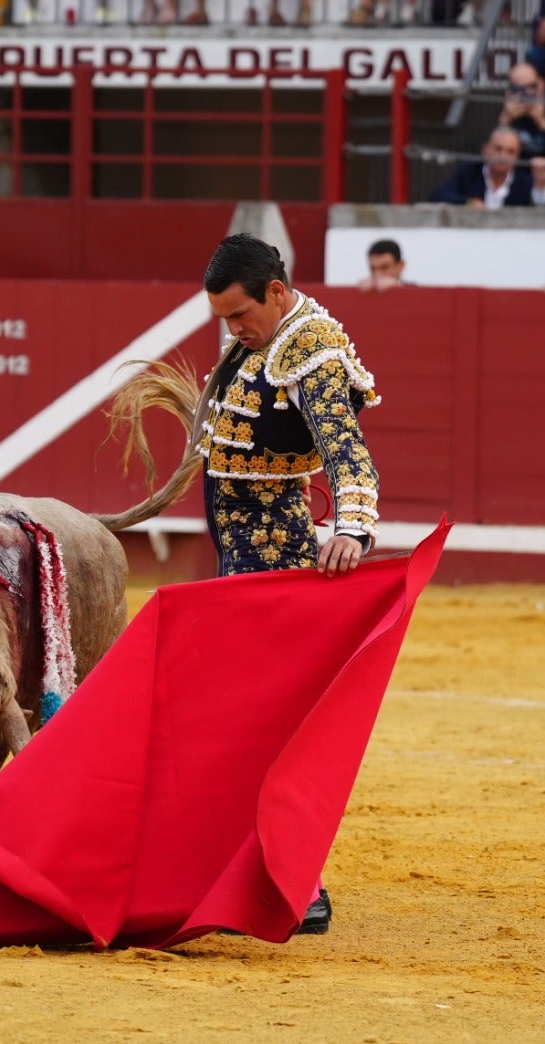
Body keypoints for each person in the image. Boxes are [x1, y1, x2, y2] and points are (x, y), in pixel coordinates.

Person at [195, 233, 383, 934]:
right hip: (244, 553)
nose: (234, 330)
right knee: (244, 720)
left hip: (272, 554)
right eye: (224, 319)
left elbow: (348, 453)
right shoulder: (268, 340)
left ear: (276, 291)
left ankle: (301, 884)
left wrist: (353, 529)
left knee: (259, 724)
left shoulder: (311, 349)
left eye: (241, 315)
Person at [428, 126, 535, 208]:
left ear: (517, 157)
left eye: (510, 152)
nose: (503, 156)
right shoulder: (469, 171)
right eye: (498, 149)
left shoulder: (525, 182)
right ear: (485, 150)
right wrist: (469, 203)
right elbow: (439, 196)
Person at [499, 60, 545, 162]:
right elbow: (490, 153)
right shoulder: (504, 106)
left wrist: (543, 123)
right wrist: (505, 122)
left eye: (531, 87)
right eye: (518, 89)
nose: (526, 93)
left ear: (541, 84)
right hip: (516, 169)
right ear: (510, 90)